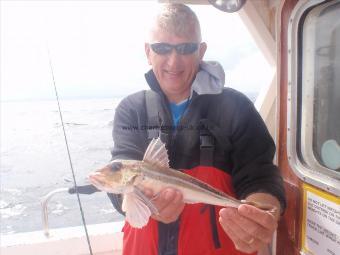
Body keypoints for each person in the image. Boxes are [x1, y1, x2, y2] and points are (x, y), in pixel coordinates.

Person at [108, 3, 286, 255]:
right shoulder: (132, 109)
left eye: (186, 48)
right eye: (161, 48)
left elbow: (261, 175)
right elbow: (120, 173)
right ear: (148, 52)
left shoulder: (235, 107)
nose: (173, 61)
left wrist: (259, 215)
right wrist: (142, 203)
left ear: (200, 51)